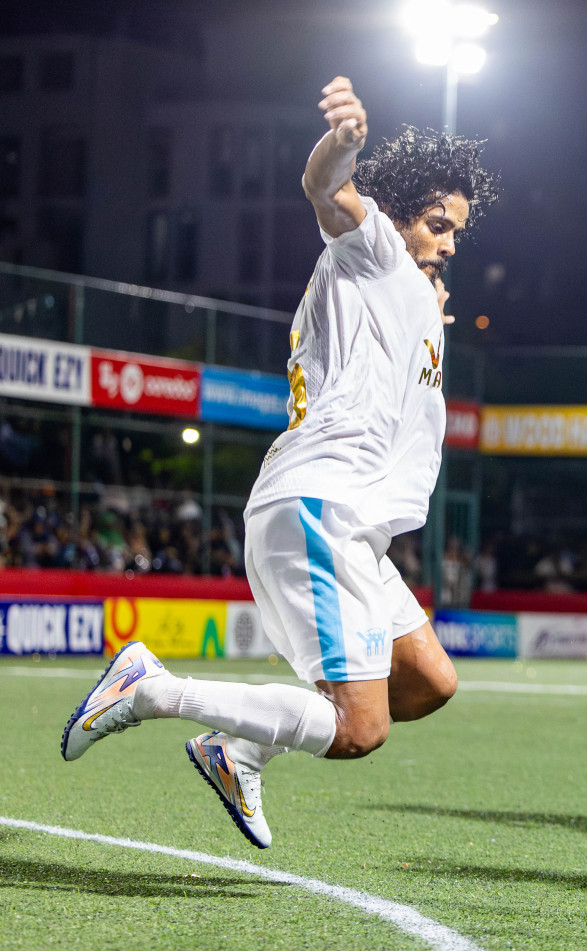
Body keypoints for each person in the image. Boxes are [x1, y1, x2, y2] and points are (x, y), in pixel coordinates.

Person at [61, 76, 500, 849]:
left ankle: (238, 749)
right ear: (398, 213)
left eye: (458, 230)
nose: (450, 242)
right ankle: (152, 688)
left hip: (351, 521)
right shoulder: (373, 253)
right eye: (438, 224)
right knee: (361, 729)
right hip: (319, 505)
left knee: (428, 682)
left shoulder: (412, 293)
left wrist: (427, 308)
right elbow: (324, 188)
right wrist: (345, 145)